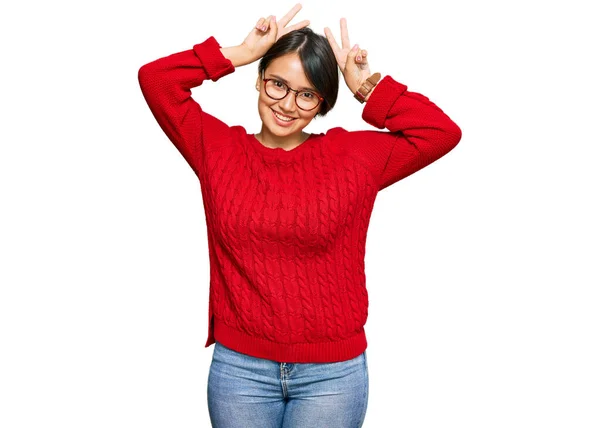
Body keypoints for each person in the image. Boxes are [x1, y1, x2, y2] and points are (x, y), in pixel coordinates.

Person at [138, 4, 461, 427]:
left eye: (306, 94)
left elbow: (441, 132)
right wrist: (239, 51)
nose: (287, 104)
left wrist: (368, 87)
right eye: (277, 84)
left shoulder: (353, 157)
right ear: (258, 80)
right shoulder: (216, 149)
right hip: (240, 371)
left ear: (322, 102)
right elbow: (156, 80)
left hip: (332, 375)